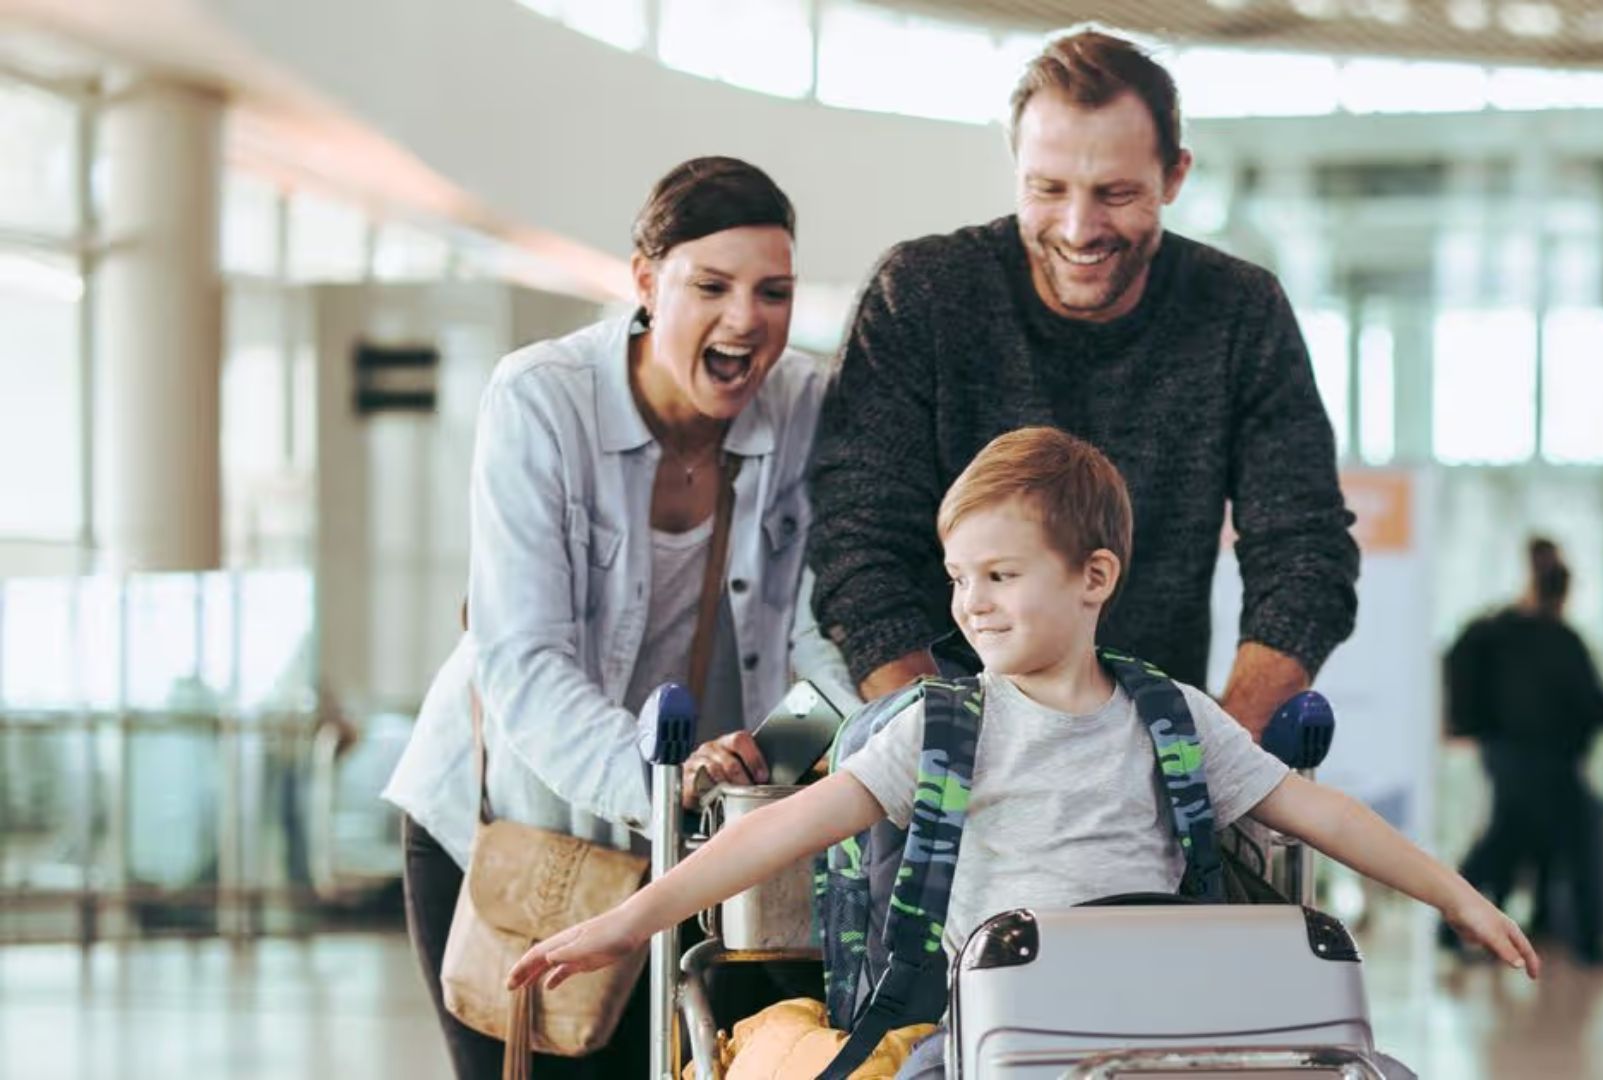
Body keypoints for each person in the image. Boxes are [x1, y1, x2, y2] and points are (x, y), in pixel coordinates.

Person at [510, 428, 1537, 1078]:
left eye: (1000, 574)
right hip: (1001, 1041)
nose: (970, 603)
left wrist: (1458, 898)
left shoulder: (1171, 717)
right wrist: (632, 919)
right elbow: (783, 829)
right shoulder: (941, 728)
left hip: (1167, 1041)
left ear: (1094, 577)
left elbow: (1323, 816)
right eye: (960, 578)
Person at [382, 157, 849, 1079]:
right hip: (516, 822)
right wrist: (661, 788)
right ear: (644, 281)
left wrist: (761, 774)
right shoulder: (540, 400)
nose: (746, 318)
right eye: (710, 286)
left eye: (774, 292)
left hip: (708, 841)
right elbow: (522, 658)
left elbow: (823, 642)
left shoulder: (807, 409)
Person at [805, 29, 1358, 734]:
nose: (1078, 227)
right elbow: (858, 547)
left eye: (1116, 193)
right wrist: (946, 750)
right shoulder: (921, 294)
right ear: (1016, 168)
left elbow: (1304, 552)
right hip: (937, 760)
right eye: (1048, 189)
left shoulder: (1240, 313)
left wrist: (1216, 761)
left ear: (1175, 177)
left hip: (1155, 760)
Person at [1442, 538, 1603, 964]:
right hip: (1543, 761)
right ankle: (1588, 943)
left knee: (1508, 842)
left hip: (1507, 757)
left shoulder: (1495, 632)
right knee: (1562, 840)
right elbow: (1593, 699)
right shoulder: (1554, 639)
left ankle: (1459, 925)